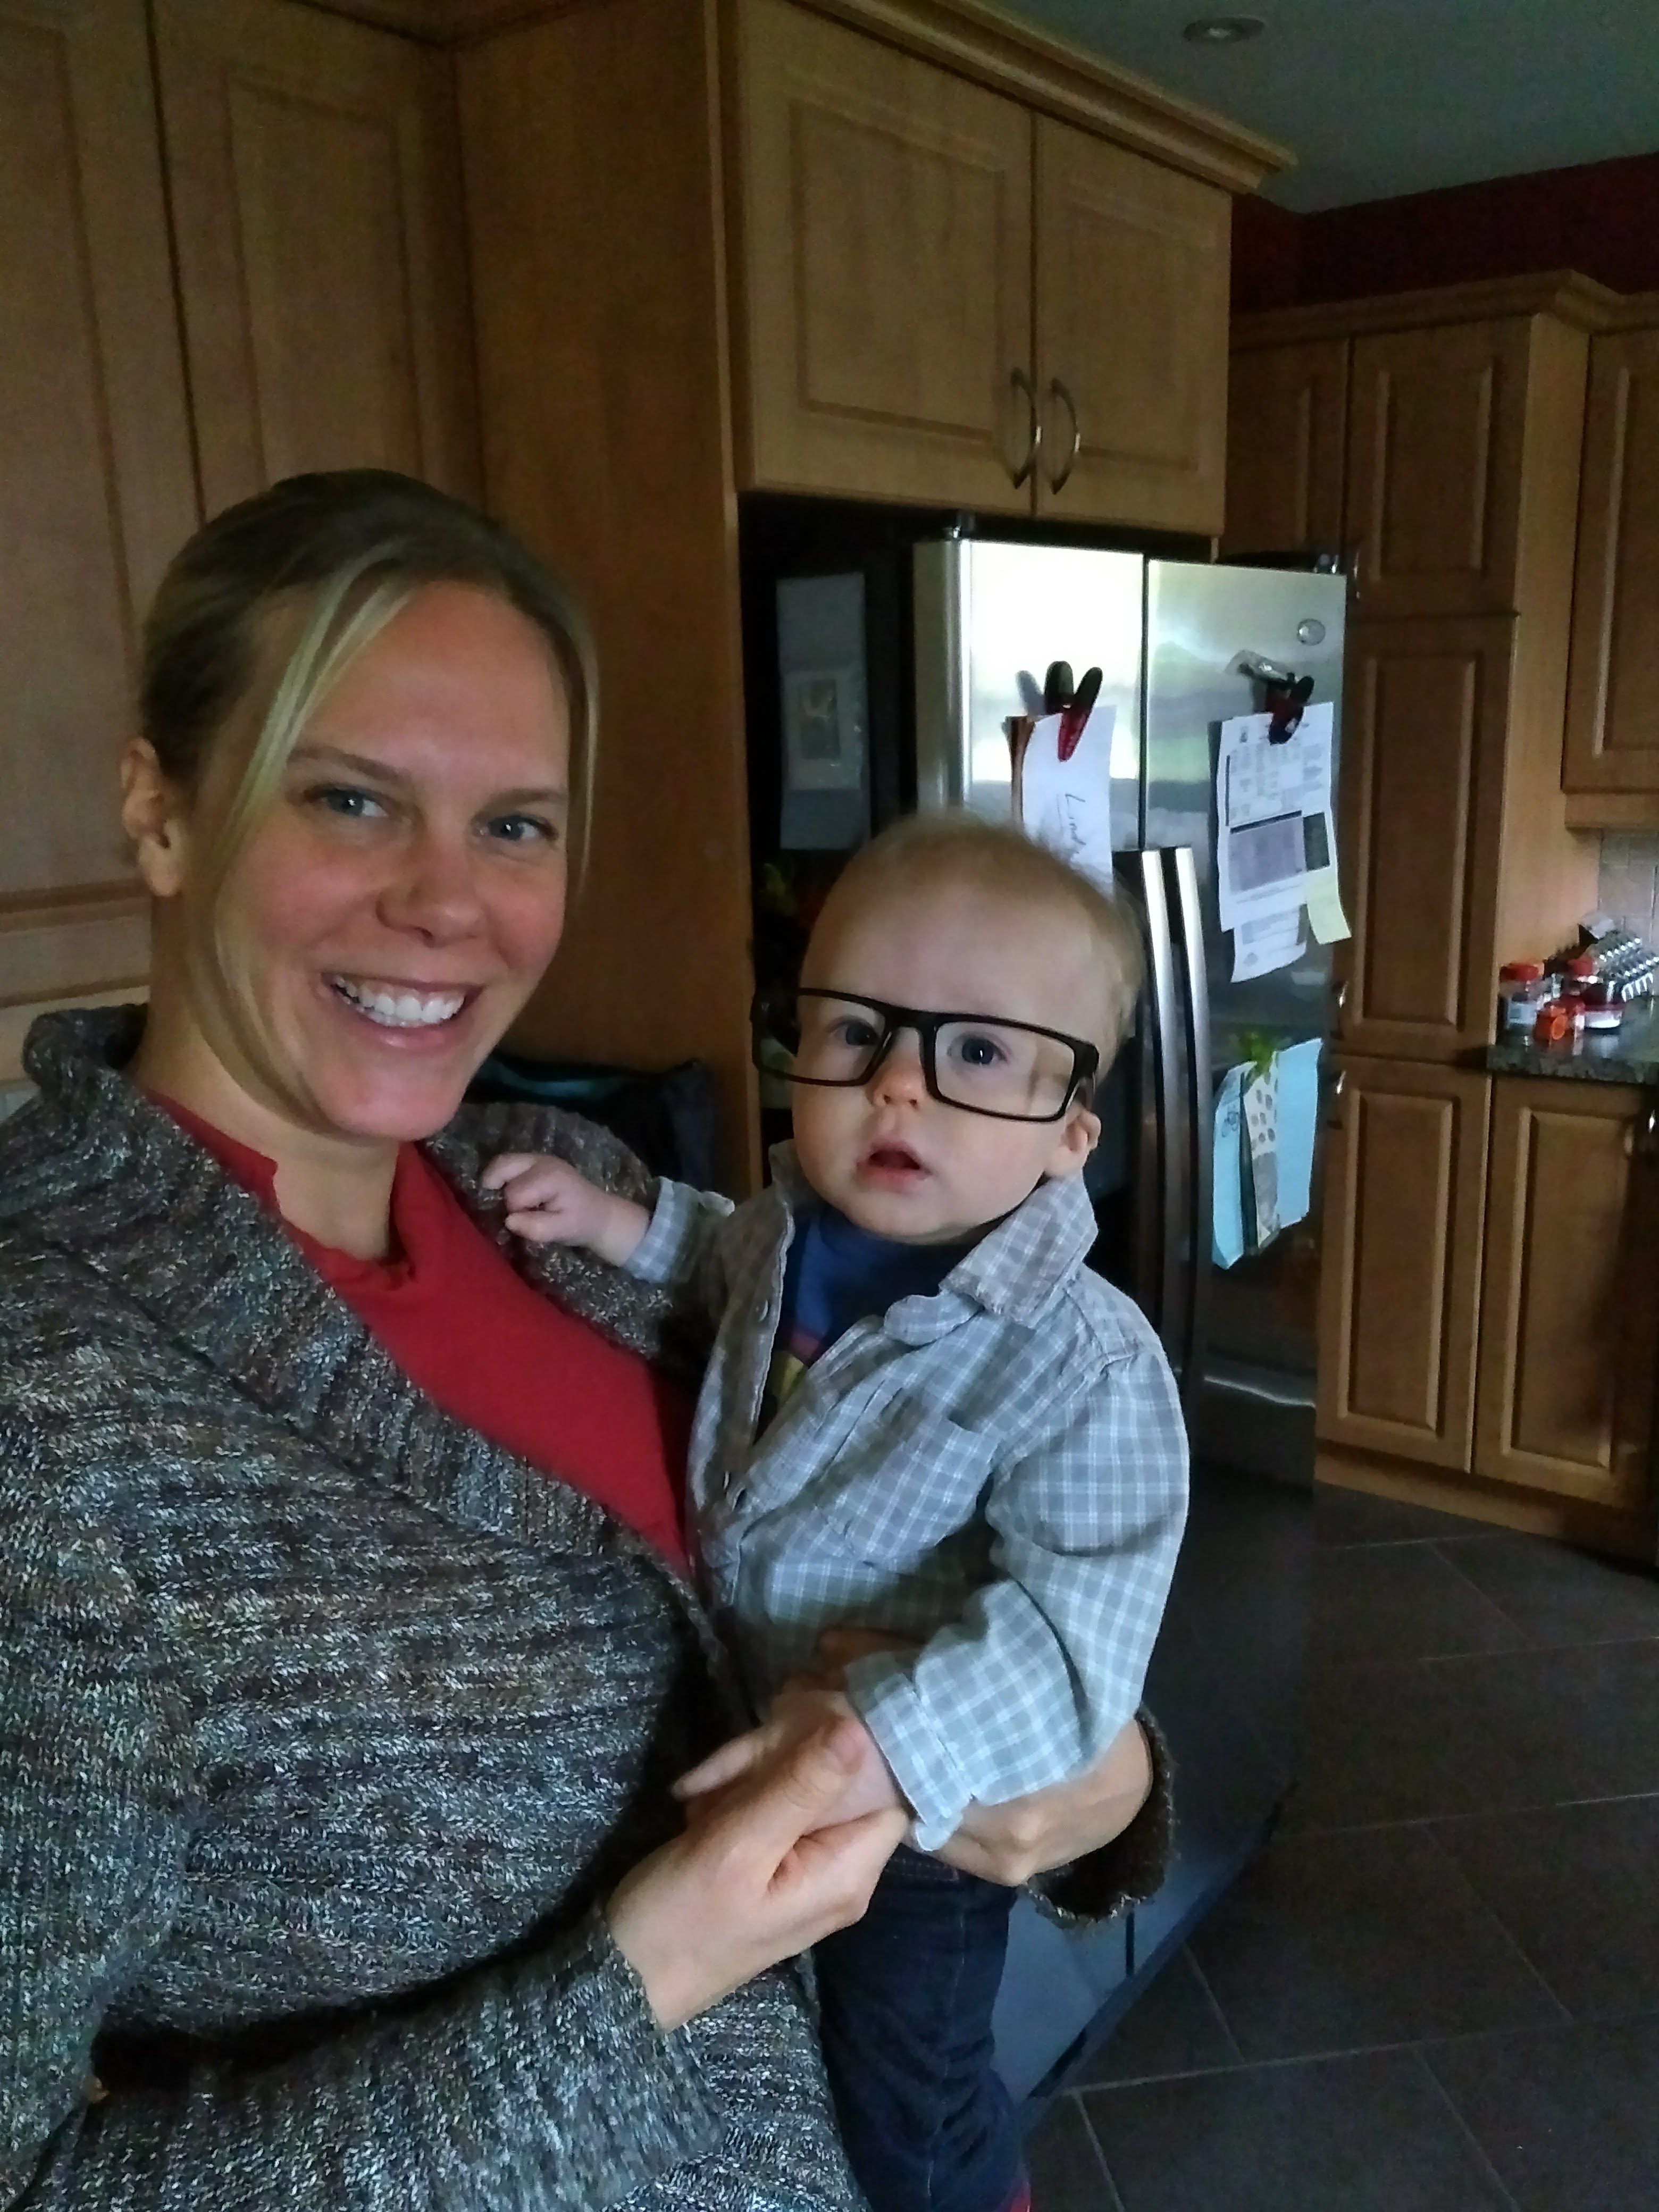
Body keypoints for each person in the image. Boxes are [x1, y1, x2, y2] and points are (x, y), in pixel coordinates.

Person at [0, 471, 1171, 2212]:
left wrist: (1107, 1787)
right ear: (159, 811)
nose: (446, 903)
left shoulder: (552, 1190)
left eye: (516, 826)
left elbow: (902, 1530)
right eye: (351, 798)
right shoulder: (46, 1399)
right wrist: (650, 1974)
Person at [484, 812, 1189, 2212]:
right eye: (857, 1033)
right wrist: (616, 1223)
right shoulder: (796, 1224)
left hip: (920, 1812)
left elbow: (1074, 1650)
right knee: (797, 2033)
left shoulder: (1082, 1365)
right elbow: (716, 1252)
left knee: (903, 2095)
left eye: (975, 1051)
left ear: (1071, 1133)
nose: (898, 1088)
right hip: (760, 1719)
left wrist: (883, 1746)